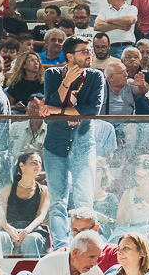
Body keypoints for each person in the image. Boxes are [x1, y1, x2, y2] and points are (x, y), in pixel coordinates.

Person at [43, 35, 105, 248]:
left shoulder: (96, 76)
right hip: (55, 145)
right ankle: (61, 246)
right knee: (57, 201)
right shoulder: (52, 74)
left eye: (90, 51)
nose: (90, 54)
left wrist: (58, 111)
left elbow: (91, 111)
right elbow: (48, 105)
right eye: (85, 51)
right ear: (69, 56)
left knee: (84, 200)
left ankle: (86, 245)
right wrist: (66, 83)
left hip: (83, 145)